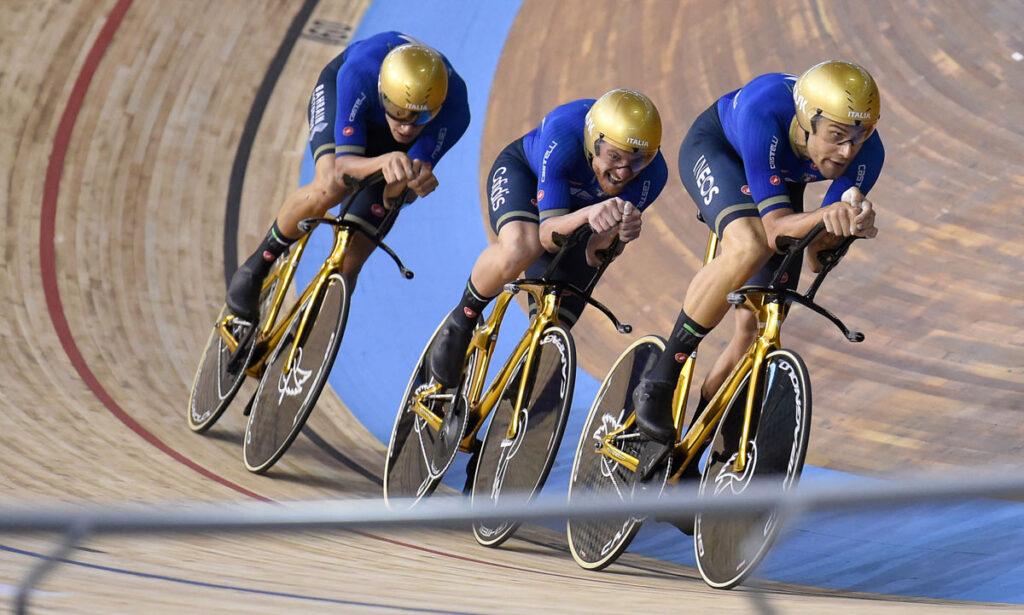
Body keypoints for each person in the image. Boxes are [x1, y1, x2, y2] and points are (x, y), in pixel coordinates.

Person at [632, 60, 885, 483]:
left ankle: (688, 463)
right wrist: (826, 215)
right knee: (748, 244)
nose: (846, 152)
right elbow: (772, 231)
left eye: (858, 139)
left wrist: (844, 232)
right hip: (722, 151)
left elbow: (814, 253)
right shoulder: (764, 108)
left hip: (782, 177)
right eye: (837, 137)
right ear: (807, 122)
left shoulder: (867, 156)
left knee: (758, 327)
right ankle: (659, 380)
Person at [427, 89, 668, 389]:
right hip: (527, 180)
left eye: (636, 162)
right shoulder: (564, 133)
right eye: (615, 157)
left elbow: (594, 253)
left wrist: (619, 238)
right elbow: (547, 236)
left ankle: (514, 402)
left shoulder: (653, 175)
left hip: (582, 215)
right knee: (521, 248)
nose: (622, 172)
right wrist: (588, 215)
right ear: (594, 143)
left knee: (553, 333)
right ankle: (462, 318)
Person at [225, 31, 470, 322]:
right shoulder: (360, 74)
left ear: (438, 108)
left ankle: (313, 334)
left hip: (393, 147)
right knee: (329, 186)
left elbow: (395, 197)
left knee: (355, 252)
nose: (406, 127)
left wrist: (410, 187)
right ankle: (259, 263)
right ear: (383, 94)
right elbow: (344, 168)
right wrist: (384, 160)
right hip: (347, 103)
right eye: (398, 112)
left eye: (421, 118)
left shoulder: (454, 111)